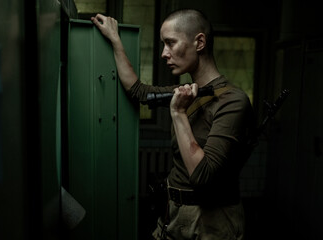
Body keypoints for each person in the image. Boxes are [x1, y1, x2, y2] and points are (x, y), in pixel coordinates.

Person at [91, 8, 256, 240]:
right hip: (174, 212)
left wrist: (178, 112)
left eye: (170, 43)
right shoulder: (189, 93)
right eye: (162, 44)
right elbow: (139, 91)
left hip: (211, 222)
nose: (163, 54)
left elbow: (203, 176)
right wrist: (115, 40)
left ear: (199, 42)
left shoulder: (232, 101)